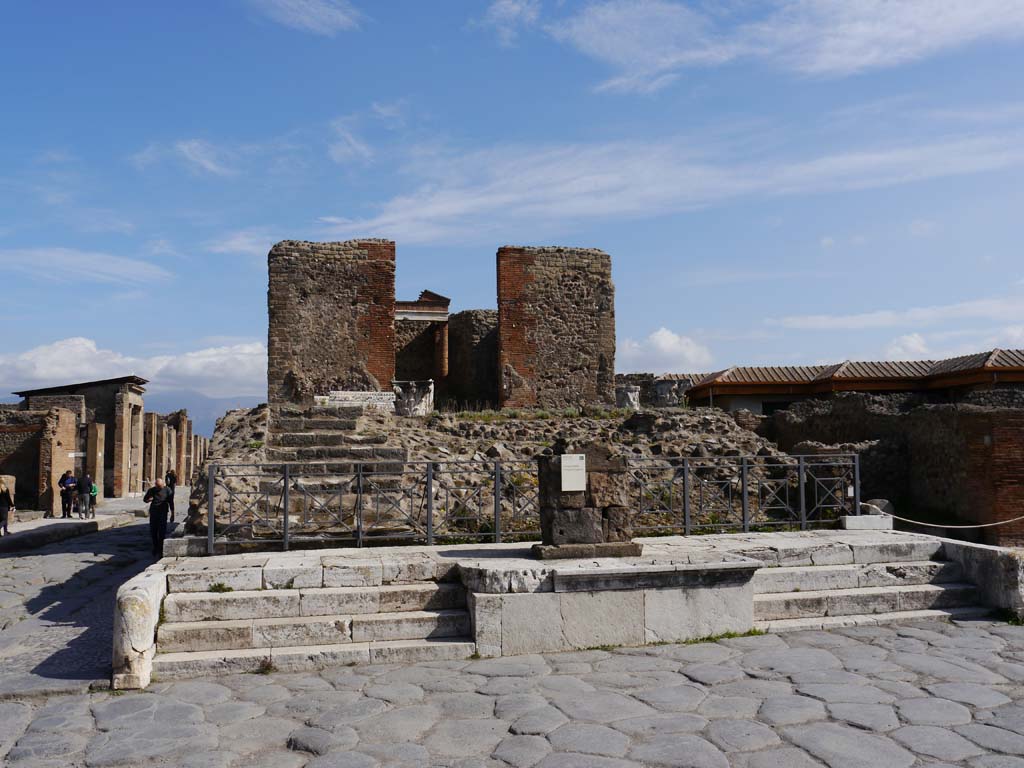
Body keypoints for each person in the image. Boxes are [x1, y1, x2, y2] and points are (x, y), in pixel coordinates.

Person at [144, 477, 173, 558]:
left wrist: (173, 514)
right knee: (153, 531)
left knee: (162, 532)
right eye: (157, 486)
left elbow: (171, 502)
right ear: (155, 485)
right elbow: (145, 499)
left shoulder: (168, 490)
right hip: (154, 512)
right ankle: (155, 547)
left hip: (163, 512)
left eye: (160, 486)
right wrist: (149, 500)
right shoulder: (152, 490)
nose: (158, 488)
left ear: (163, 484)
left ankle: (160, 549)